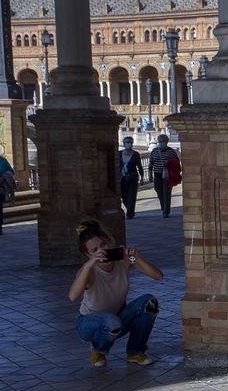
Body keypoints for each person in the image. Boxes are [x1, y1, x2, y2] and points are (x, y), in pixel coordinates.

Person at [68, 220, 164, 367]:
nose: (102, 250)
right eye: (94, 250)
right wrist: (89, 265)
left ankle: (135, 352)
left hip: (118, 318)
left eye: (103, 245)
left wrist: (136, 258)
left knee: (149, 302)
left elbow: (158, 276)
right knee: (111, 321)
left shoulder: (122, 260)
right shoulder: (88, 272)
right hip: (89, 324)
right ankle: (98, 350)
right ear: (87, 254)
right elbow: (72, 296)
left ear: (108, 241)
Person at [150, 134, 180, 218]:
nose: (161, 143)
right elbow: (151, 163)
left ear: (166, 142)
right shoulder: (154, 151)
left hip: (168, 175)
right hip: (157, 175)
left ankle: (166, 211)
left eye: (162, 142)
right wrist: (150, 174)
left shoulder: (171, 151)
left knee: (166, 192)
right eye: (160, 141)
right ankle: (163, 206)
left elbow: (177, 163)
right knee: (158, 191)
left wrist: (169, 163)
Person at [118, 136, 145, 219]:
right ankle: (130, 209)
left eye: (130, 142)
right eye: (127, 142)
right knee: (123, 195)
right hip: (122, 177)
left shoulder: (136, 154)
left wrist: (142, 176)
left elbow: (139, 166)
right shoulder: (119, 153)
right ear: (124, 144)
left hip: (133, 177)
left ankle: (130, 213)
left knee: (132, 196)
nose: (129, 144)